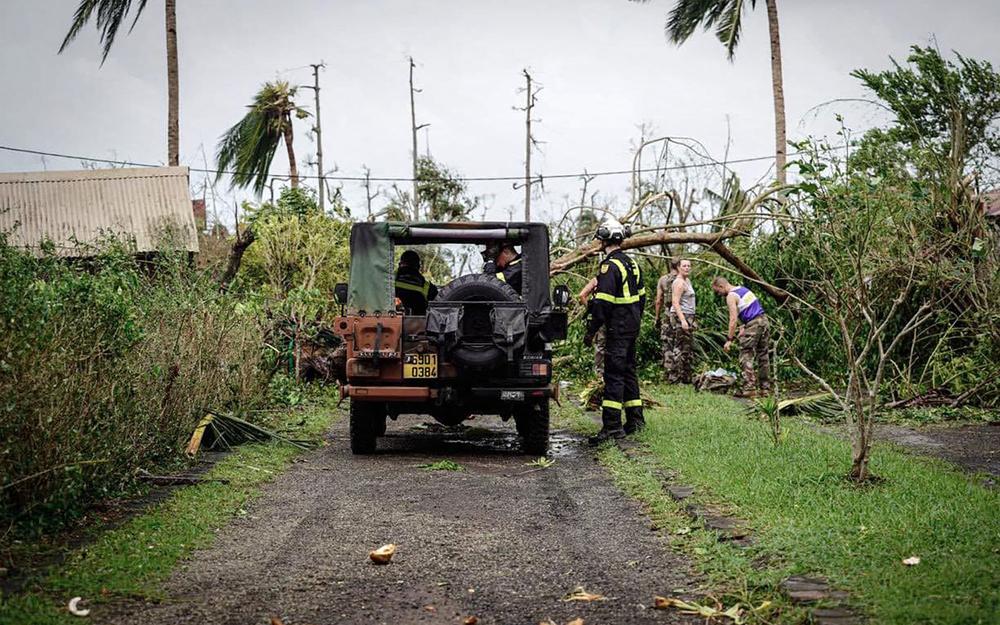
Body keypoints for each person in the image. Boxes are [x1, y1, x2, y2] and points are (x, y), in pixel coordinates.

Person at [584, 218, 645, 444]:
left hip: (618, 329)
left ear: (604, 240)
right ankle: (635, 421)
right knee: (629, 372)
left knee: (614, 374)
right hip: (632, 326)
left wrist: (591, 331)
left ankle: (611, 427)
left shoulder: (609, 266)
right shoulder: (633, 264)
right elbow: (642, 298)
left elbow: (603, 303)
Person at [711, 276, 770, 397]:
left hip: (754, 324)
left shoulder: (731, 296)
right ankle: (765, 389)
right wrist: (743, 326)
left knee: (745, 354)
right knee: (763, 355)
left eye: (718, 291)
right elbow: (749, 307)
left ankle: (749, 387)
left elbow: (732, 320)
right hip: (763, 321)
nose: (719, 294)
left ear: (722, 286)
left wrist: (729, 339)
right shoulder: (743, 289)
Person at [667, 259, 697, 384]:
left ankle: (685, 377)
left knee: (687, 347)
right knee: (679, 346)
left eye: (689, 266)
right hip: (681, 315)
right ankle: (675, 378)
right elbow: (675, 302)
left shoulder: (687, 281)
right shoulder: (679, 283)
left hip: (689, 315)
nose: (687, 268)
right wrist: (683, 320)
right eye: (684, 266)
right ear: (678, 268)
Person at [654, 260, 679, 379]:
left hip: (667, 315)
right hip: (680, 315)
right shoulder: (683, 279)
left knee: (667, 342)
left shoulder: (662, 280)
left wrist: (657, 317)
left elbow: (658, 300)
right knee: (679, 342)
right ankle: (679, 373)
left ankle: (668, 371)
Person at [394, 250, 438, 315]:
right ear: (418, 266)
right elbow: (439, 308)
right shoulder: (429, 288)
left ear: (400, 264)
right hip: (419, 324)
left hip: (391, 323)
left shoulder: (389, 281)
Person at [578, 277, 605, 379]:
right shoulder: (598, 280)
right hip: (609, 317)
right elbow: (582, 295)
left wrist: (591, 310)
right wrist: (591, 309)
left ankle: (599, 372)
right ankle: (600, 373)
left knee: (600, 345)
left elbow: (582, 295)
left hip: (599, 316)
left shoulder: (597, 279)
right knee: (603, 344)